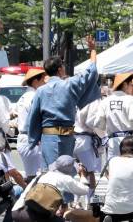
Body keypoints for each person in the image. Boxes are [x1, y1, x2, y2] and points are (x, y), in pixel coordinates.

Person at [26, 36, 100, 168]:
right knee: (66, 172)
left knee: (50, 173)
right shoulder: (70, 84)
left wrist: (33, 139)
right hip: (67, 137)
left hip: (49, 137)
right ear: (60, 69)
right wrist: (93, 50)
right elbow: (91, 72)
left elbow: (33, 117)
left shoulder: (41, 91)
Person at [10, 155, 92, 222]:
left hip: (17, 210)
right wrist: (83, 175)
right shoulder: (66, 179)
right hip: (32, 216)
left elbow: (27, 191)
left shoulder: (43, 175)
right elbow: (85, 190)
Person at [104, 72, 133, 163]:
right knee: (130, 167)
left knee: (113, 167)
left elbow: (97, 123)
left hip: (113, 140)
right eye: (131, 84)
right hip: (129, 142)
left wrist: (105, 137)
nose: (132, 87)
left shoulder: (106, 101)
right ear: (125, 84)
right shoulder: (131, 100)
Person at [15, 69, 47, 181]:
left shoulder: (24, 97)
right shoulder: (34, 96)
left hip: (23, 138)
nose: (45, 82)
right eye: (42, 79)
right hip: (32, 138)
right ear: (35, 81)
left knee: (32, 175)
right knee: (37, 177)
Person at [72, 95, 105, 195]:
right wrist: (102, 134)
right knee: (90, 172)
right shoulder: (92, 100)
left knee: (81, 170)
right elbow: (91, 122)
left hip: (72, 137)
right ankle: (90, 199)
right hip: (85, 138)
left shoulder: (73, 99)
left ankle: (78, 199)